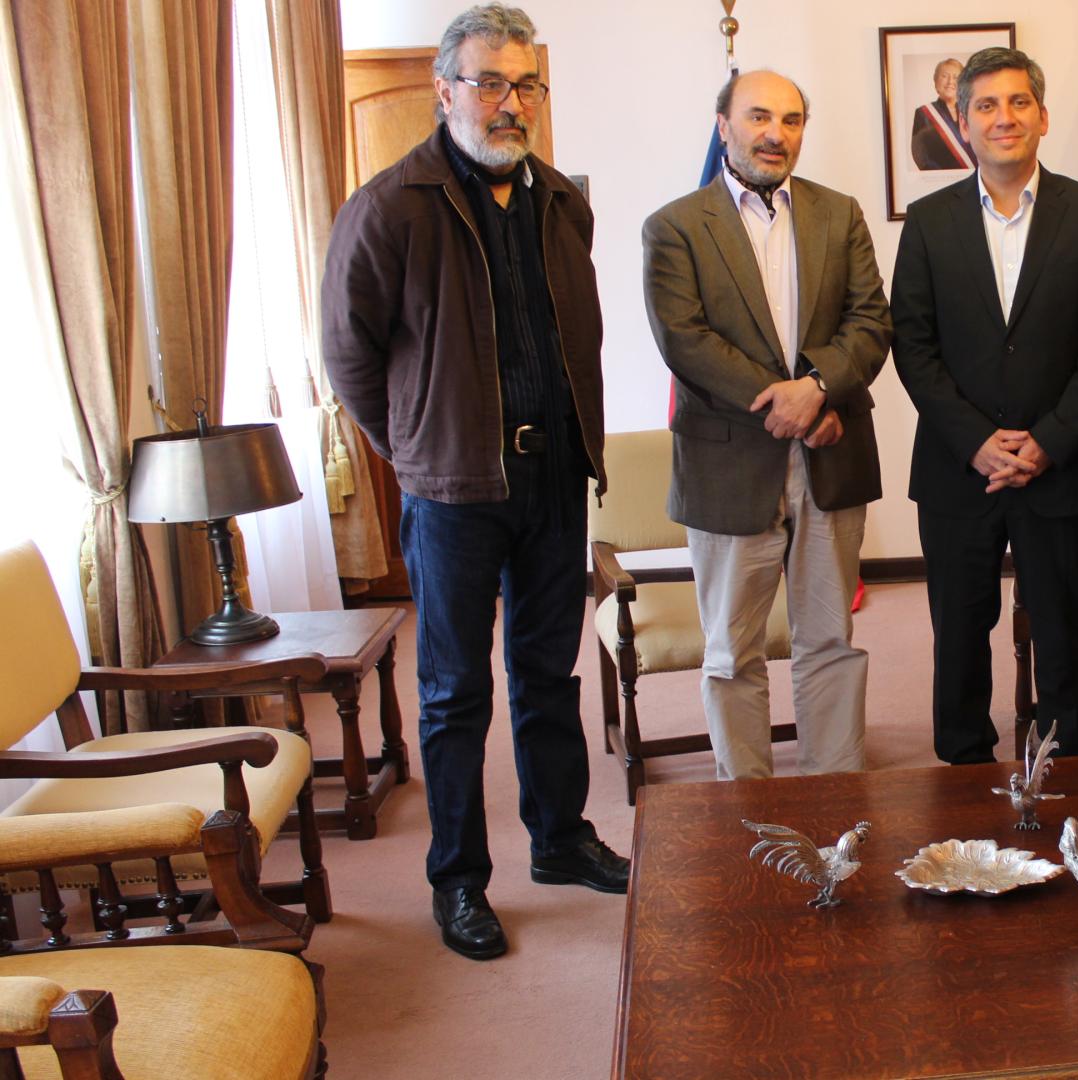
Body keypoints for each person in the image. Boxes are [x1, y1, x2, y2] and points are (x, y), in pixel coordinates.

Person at [321, 3, 628, 962]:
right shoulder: (389, 205)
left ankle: (559, 837)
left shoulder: (559, 199)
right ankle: (459, 881)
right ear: (445, 90)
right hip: (451, 493)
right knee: (455, 694)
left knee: (548, 674)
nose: (510, 103)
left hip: (551, 480)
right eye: (490, 82)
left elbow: (578, 332)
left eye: (526, 83)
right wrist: (414, 448)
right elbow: (349, 356)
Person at [643, 70, 891, 781]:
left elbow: (871, 321)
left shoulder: (838, 214)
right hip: (728, 467)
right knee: (731, 651)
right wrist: (786, 404)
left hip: (830, 458)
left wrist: (816, 389)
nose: (774, 133)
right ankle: (746, 805)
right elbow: (685, 340)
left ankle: (833, 792)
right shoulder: (675, 226)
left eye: (790, 120)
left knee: (831, 639)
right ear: (723, 124)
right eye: (757, 116)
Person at [892, 47, 1078, 764]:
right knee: (959, 631)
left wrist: (1047, 442)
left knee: (1062, 630)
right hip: (958, 469)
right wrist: (976, 441)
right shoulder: (929, 222)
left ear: (1043, 116)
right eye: (987, 106)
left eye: (1019, 102)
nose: (1004, 118)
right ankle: (964, 765)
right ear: (962, 123)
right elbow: (914, 344)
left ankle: (1065, 764)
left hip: (1061, 466)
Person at [909, 58, 974, 171]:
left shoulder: (971, 111)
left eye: (956, 77)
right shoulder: (923, 113)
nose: (950, 81)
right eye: (944, 76)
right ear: (936, 82)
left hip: (970, 180)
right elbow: (920, 154)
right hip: (939, 180)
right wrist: (943, 176)